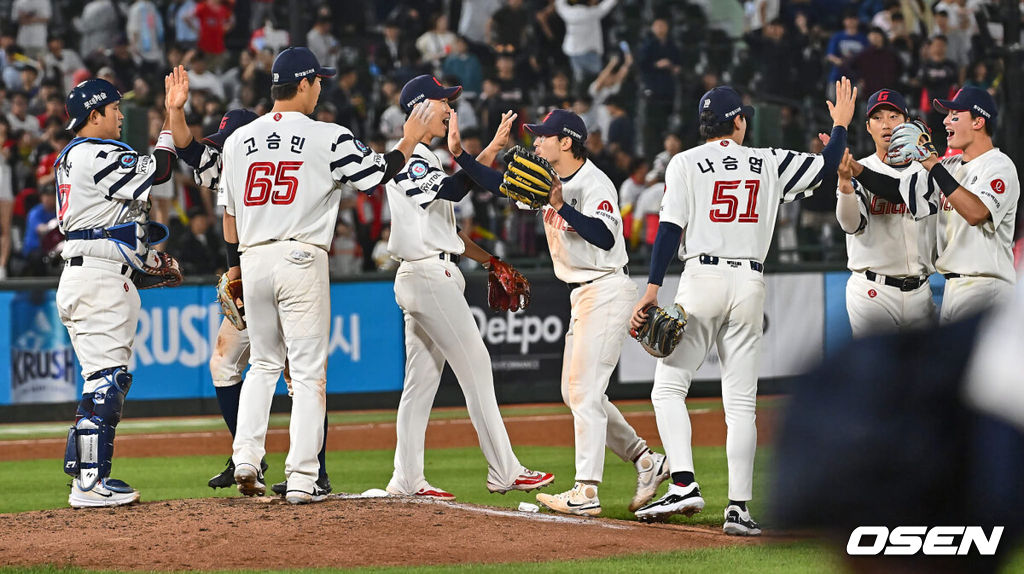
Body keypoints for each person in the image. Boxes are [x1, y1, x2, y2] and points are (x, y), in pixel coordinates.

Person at [628, 79, 856, 533]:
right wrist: (841, 126)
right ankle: (740, 510)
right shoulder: (770, 161)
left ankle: (684, 484)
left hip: (703, 278)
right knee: (741, 404)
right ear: (738, 122)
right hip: (750, 281)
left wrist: (652, 289)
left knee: (669, 389)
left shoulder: (685, 162)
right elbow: (830, 165)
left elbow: (670, 230)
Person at [220, 48, 434, 505]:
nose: (321, 89)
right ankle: (301, 476)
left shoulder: (238, 140)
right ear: (303, 84)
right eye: (318, 82)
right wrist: (408, 140)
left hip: (253, 256)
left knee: (261, 363)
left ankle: (245, 456)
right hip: (300, 256)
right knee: (308, 373)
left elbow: (230, 216)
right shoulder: (327, 136)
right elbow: (375, 176)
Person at [449, 108, 669, 516]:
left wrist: (561, 205)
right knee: (576, 393)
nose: (535, 143)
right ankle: (646, 461)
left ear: (565, 142)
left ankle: (586, 490)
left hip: (605, 288)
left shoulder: (593, 181)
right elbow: (500, 183)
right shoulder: (553, 181)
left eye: (542, 136)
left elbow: (604, 236)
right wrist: (461, 155)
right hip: (582, 294)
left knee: (584, 392)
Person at [383, 75, 554, 500]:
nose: (450, 110)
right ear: (421, 107)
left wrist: (491, 261)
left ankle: (406, 479)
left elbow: (449, 231)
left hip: (426, 271)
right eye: (444, 102)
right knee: (476, 365)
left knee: (420, 384)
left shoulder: (425, 156)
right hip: (427, 276)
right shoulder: (412, 155)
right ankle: (505, 470)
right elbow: (454, 191)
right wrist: (486, 152)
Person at [166, 100, 334, 494]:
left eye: (227, 138)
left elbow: (228, 215)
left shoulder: (256, 154)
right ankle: (247, 457)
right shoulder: (232, 160)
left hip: (282, 268)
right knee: (224, 364)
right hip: (254, 277)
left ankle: (315, 472)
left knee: (298, 375)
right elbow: (193, 151)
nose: (222, 146)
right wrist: (175, 113)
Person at [57, 76, 182, 508]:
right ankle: (91, 483)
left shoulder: (72, 157)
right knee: (107, 381)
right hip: (96, 279)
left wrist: (145, 264)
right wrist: (172, 117)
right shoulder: (95, 152)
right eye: (113, 108)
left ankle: (86, 480)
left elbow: (105, 226)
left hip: (88, 273)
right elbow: (161, 169)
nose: (119, 114)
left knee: (103, 380)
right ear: (94, 114)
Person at [849, 87, 1019, 324]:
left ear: (978, 121)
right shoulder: (948, 165)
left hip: (985, 287)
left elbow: (976, 212)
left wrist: (932, 164)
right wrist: (855, 169)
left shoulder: (998, 166)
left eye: (954, 115)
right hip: (954, 288)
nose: (946, 120)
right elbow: (898, 192)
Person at [835, 89, 935, 337]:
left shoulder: (925, 171)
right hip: (873, 291)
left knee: (925, 374)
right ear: (868, 127)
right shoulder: (859, 168)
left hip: (921, 290)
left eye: (893, 116)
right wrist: (845, 186)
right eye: (878, 118)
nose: (886, 124)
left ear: (907, 123)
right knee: (877, 373)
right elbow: (851, 225)